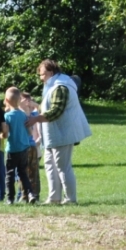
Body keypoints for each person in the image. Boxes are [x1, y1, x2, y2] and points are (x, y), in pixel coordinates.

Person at [37, 59, 91, 206]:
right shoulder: (52, 85)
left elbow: (56, 111)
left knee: (63, 166)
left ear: (50, 72)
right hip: (52, 134)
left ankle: (70, 199)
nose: (40, 78)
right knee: (49, 164)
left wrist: (36, 119)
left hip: (63, 133)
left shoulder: (60, 86)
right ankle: (54, 197)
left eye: (41, 74)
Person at [3, 87, 43, 203]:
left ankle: (10, 198)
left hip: (12, 149)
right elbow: (30, 132)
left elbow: (5, 133)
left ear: (6, 100)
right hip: (24, 148)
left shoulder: (7, 116)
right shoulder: (24, 115)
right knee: (23, 173)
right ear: (19, 100)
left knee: (10, 174)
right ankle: (30, 194)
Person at [20, 91, 42, 201]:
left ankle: (35, 194)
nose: (26, 103)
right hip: (22, 147)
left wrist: (35, 105)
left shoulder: (34, 115)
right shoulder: (19, 114)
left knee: (34, 172)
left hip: (32, 146)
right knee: (23, 172)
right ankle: (24, 195)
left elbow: (42, 111)